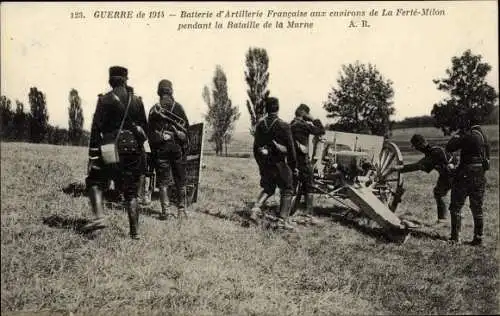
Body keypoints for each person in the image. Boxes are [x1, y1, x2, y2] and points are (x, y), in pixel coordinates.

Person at [83, 66, 148, 239]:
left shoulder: (104, 100)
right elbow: (145, 129)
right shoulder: (137, 101)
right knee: (131, 192)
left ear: (110, 80)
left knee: (94, 181)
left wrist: (93, 155)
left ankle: (99, 218)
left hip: (110, 148)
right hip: (133, 149)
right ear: (126, 80)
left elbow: (96, 129)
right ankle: (134, 233)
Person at [250, 97, 298, 225]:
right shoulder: (284, 125)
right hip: (279, 164)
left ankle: (255, 209)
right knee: (288, 188)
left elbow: (256, 148)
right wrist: (293, 167)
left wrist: (261, 164)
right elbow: (291, 150)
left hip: (265, 163)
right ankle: (282, 221)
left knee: (268, 188)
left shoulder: (260, 125)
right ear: (278, 108)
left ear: (266, 109)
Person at [148, 79, 190, 220]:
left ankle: (166, 212)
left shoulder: (154, 109)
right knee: (180, 179)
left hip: (162, 149)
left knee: (163, 181)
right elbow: (187, 131)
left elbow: (150, 134)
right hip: (177, 148)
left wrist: (160, 139)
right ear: (171, 91)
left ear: (159, 92)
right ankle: (181, 210)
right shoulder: (179, 107)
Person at [446, 120, 490, 245]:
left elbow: (449, 147)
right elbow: (487, 164)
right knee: (477, 208)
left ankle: (455, 238)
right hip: (480, 175)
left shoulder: (468, 135)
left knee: (456, 206)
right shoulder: (484, 137)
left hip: (465, 174)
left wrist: (458, 134)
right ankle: (478, 238)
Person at [395, 134, 456, 223]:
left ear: (421, 144)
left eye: (416, 146)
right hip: (447, 174)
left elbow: (419, 166)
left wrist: (400, 169)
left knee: (441, 194)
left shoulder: (434, 152)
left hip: (452, 174)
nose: (416, 149)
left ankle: (443, 220)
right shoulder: (434, 150)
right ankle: (443, 219)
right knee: (438, 192)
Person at [290, 104, 325, 216]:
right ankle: (309, 212)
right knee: (309, 184)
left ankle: (290, 210)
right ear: (304, 113)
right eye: (307, 114)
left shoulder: (291, 124)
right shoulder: (303, 125)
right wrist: (314, 119)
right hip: (302, 161)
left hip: (292, 161)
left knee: (293, 185)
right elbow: (321, 131)